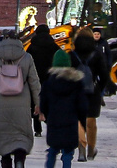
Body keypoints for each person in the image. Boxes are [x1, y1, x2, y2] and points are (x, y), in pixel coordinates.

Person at [0, 32, 42, 168]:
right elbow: (34, 82)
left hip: (1, 103)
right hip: (22, 102)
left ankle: (6, 163)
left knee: (4, 137)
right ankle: (20, 160)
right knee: (21, 135)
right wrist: (38, 103)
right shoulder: (26, 57)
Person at [39, 50, 88, 168]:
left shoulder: (48, 83)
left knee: (53, 150)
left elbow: (43, 103)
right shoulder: (76, 83)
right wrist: (82, 121)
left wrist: (47, 117)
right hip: (70, 122)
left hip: (54, 121)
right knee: (68, 152)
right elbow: (82, 105)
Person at [70, 28, 108, 161]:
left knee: (79, 121)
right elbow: (104, 75)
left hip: (76, 91)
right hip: (93, 91)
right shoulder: (97, 54)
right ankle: (91, 150)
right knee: (91, 120)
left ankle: (81, 149)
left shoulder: (72, 55)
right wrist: (100, 89)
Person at [26, 24, 59, 137]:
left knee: (35, 101)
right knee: (50, 101)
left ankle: (37, 129)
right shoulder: (54, 46)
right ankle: (49, 123)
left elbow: (27, 61)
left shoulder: (32, 46)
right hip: (50, 78)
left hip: (35, 77)